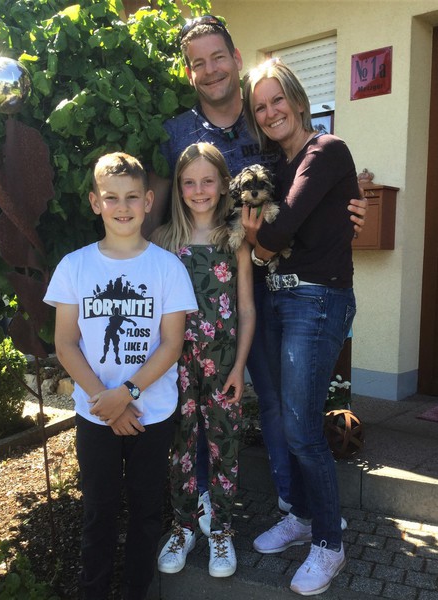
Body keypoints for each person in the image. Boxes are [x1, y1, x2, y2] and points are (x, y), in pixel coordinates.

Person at [148, 14, 367, 533]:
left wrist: (348, 207)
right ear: (189, 72)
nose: (210, 70)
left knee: (274, 401)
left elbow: (307, 183)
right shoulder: (175, 134)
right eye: (198, 63)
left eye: (218, 57)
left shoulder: (263, 121)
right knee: (194, 400)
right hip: (199, 297)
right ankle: (200, 504)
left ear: (236, 59)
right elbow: (156, 218)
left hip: (270, 289)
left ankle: (294, 506)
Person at [43, 152, 198, 600]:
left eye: (132, 197)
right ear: (95, 203)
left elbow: (171, 344)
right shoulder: (74, 266)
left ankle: (136, 591)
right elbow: (65, 343)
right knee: (99, 512)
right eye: (111, 197)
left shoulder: (167, 267)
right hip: (96, 414)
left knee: (148, 512)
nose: (122, 206)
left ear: (148, 201)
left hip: (152, 413)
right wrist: (106, 401)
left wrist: (126, 393)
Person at [241, 58, 359, 596]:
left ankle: (329, 543)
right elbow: (268, 239)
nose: (270, 113)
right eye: (260, 107)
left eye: (277, 100)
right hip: (280, 300)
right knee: (290, 425)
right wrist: (262, 247)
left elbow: (276, 232)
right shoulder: (277, 166)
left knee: (304, 430)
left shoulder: (325, 150)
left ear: (298, 98)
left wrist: (260, 242)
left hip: (317, 300)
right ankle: (306, 518)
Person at [153, 142, 255, 578]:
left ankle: (221, 531)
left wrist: (239, 367)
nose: (198, 190)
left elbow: (246, 308)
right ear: (179, 187)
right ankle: (183, 527)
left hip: (224, 365)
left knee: (224, 446)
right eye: (189, 182)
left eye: (207, 181)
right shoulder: (162, 241)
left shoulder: (235, 240)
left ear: (224, 185)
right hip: (173, 365)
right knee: (179, 447)